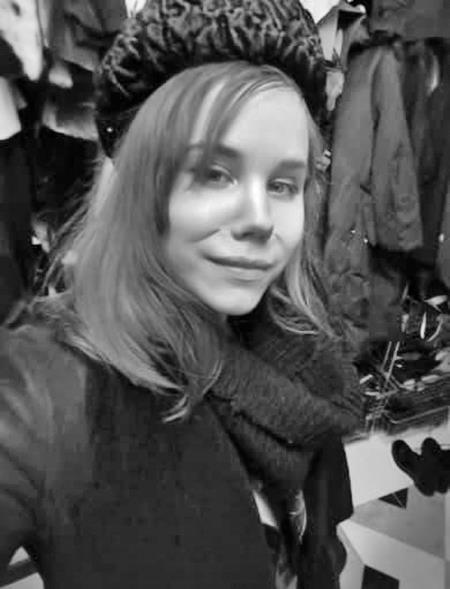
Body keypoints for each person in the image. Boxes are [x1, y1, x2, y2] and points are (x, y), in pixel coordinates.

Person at [0, 2, 363, 588]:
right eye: (214, 173)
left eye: (282, 184)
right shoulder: (48, 389)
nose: (260, 220)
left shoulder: (293, 346)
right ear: (136, 185)